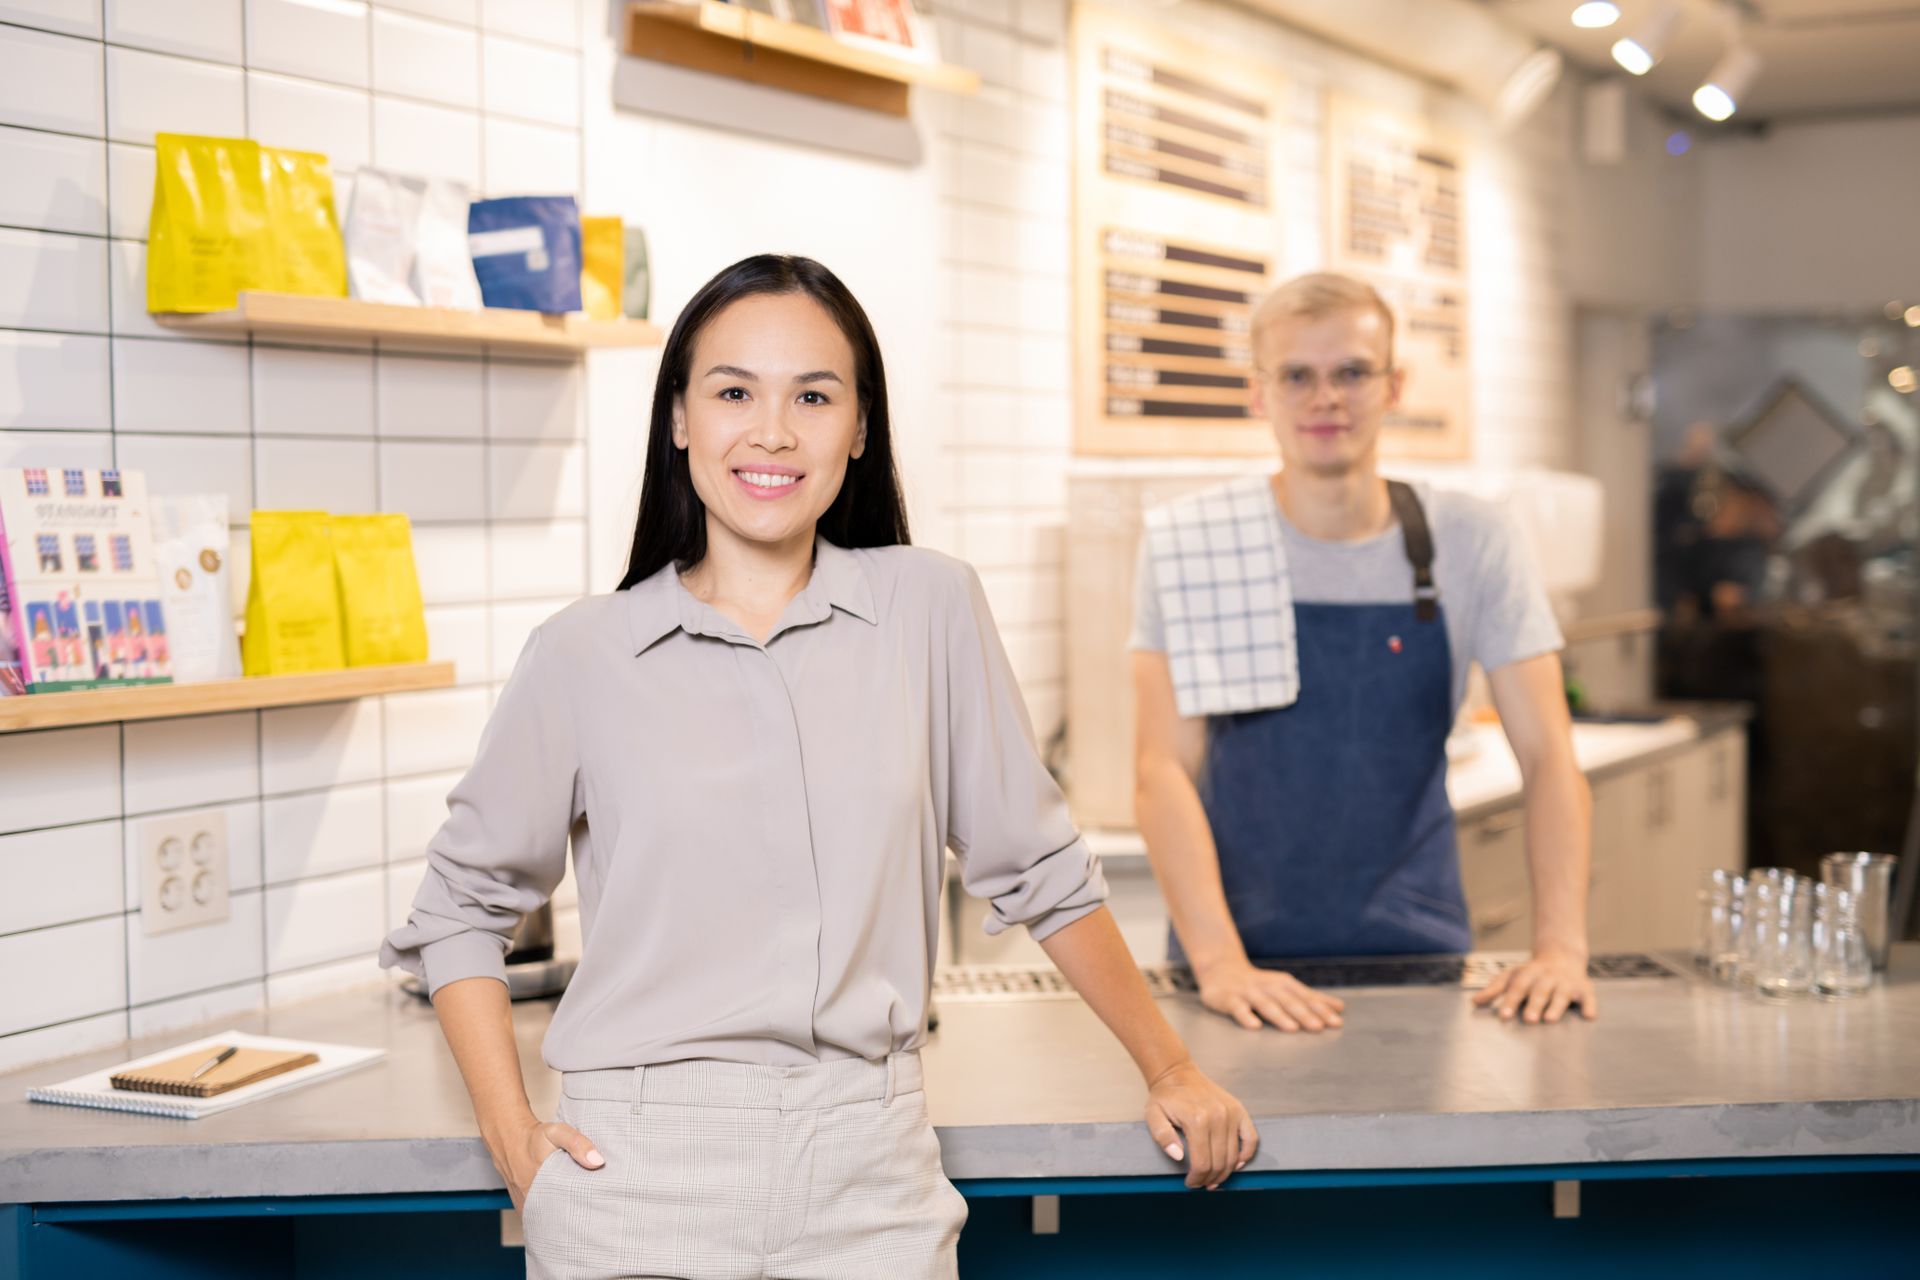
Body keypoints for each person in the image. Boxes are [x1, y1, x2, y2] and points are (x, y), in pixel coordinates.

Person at [382, 255, 1256, 1280]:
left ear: (860, 426)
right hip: (633, 1168)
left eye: (813, 394)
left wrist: (1173, 1064)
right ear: (679, 419)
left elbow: (1039, 867)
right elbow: (460, 906)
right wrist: (513, 1133)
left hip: (870, 1173)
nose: (773, 431)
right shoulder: (583, 652)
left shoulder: (930, 608)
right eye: (734, 391)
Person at [1130, 272, 1596, 1032]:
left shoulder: (1471, 541)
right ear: (1260, 394)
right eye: (1297, 376)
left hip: (1418, 956)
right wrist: (1220, 965)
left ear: (1394, 385)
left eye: (1352, 372)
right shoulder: (1192, 545)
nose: (1327, 398)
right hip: (1236, 974)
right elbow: (1159, 771)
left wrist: (1562, 950)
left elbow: (1550, 757)